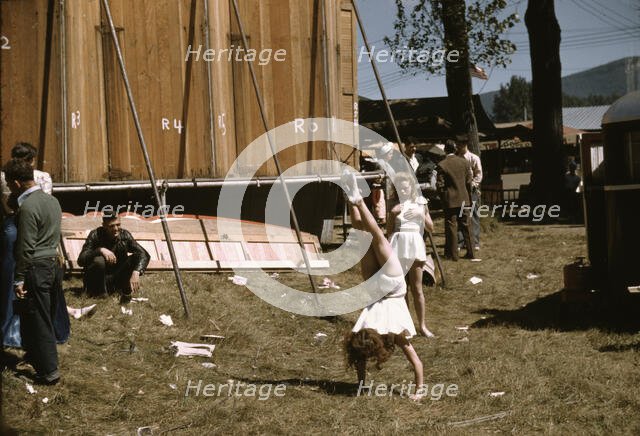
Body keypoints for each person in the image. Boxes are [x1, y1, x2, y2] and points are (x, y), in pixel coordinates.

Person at [341, 170, 425, 401]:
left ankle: (354, 199)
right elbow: (415, 362)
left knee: (371, 235)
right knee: (370, 234)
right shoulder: (382, 333)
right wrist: (418, 392)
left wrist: (361, 384)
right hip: (384, 287)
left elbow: (360, 357)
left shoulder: (374, 332)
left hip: (386, 287)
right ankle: (354, 199)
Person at [1, 143, 69, 348]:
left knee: (12, 273)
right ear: (31, 161)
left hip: (15, 224)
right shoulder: (43, 177)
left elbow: (8, 206)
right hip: (39, 227)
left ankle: (9, 330)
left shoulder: (5, 177)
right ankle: (55, 329)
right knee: (43, 279)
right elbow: (45, 204)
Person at [5, 158, 63, 384]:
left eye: (10, 184)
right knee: (40, 315)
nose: (9, 188)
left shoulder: (27, 207)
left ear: (17, 183)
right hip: (51, 265)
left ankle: (49, 372)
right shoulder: (52, 201)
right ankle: (36, 358)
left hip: (35, 269)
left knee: (39, 320)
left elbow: (26, 247)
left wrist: (19, 279)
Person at [387, 173, 435, 338]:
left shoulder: (421, 203)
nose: (402, 189)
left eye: (405, 186)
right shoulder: (393, 204)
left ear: (412, 187)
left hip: (414, 243)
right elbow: (389, 230)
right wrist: (392, 214)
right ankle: (405, 325)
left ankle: (422, 326)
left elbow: (431, 227)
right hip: (398, 243)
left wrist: (420, 215)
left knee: (417, 288)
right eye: (399, 187)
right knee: (401, 288)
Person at [77, 213, 150, 302]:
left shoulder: (125, 235)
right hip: (97, 281)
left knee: (135, 257)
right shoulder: (95, 235)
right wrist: (100, 250)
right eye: (111, 226)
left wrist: (136, 271)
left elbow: (144, 254)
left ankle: (122, 290)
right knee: (98, 261)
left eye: (118, 225)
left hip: (117, 278)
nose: (115, 229)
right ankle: (99, 294)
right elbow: (81, 260)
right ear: (104, 226)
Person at [437, 140, 475, 261]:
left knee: (451, 228)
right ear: (455, 149)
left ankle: (453, 255)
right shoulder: (465, 163)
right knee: (467, 226)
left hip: (450, 200)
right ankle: (471, 252)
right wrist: (468, 197)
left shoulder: (442, 165)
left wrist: (443, 198)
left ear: (445, 150)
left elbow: (440, 185)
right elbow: (469, 183)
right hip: (464, 199)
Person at [455, 136, 482, 250]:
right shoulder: (456, 158)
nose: (458, 146)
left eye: (460, 144)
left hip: (471, 190)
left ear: (465, 144)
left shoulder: (473, 158)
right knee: (461, 215)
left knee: (474, 215)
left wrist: (473, 185)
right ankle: (461, 241)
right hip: (460, 189)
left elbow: (479, 174)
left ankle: (475, 241)